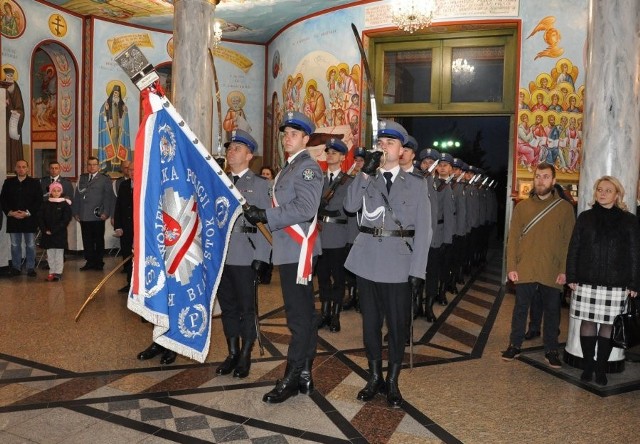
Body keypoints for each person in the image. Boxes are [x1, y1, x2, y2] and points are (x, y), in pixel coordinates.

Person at [344, 120, 432, 407]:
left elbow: (424, 229)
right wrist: (364, 173)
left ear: (401, 150)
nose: (383, 146)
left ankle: (392, 381)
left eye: (390, 143)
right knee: (370, 325)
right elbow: (350, 206)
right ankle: (373, 377)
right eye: (381, 142)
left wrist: (418, 270)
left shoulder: (417, 184)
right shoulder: (367, 176)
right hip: (367, 261)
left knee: (397, 325)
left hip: (398, 265)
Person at [243, 111, 323, 404]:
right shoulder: (288, 168)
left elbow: (305, 208)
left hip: (299, 250)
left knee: (299, 318)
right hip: (289, 249)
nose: (287, 138)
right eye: (285, 133)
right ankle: (304, 374)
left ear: (305, 139)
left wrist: (266, 215)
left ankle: (290, 377)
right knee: (303, 316)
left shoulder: (307, 168)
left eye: (294, 134)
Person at [566, 176, 639, 385]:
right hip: (586, 280)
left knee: (608, 325)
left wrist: (635, 283)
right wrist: (571, 275)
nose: (602, 193)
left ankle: (601, 369)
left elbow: (635, 253)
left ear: (617, 195)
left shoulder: (629, 220)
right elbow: (574, 248)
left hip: (617, 282)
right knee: (587, 323)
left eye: (608, 190)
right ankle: (588, 366)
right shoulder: (585, 217)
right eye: (599, 189)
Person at [502, 162, 575, 368]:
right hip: (525, 266)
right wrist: (511, 267)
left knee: (552, 311)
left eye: (545, 177)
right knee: (520, 309)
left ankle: (551, 349)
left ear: (553, 181)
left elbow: (567, 242)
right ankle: (514, 344)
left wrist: (564, 270)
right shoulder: (522, 207)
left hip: (552, 270)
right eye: (537, 176)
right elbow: (513, 238)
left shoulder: (565, 209)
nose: (540, 180)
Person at [212, 130, 271, 378]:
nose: (230, 151)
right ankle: (232, 352)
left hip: (246, 255)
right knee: (228, 307)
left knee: (247, 308)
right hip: (222, 256)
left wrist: (263, 256)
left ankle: (246, 353)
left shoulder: (261, 185)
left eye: (237, 148)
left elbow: (267, 224)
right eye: (229, 147)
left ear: (249, 155)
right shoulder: (219, 181)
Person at [316, 138, 352, 333]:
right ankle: (325, 312)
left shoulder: (348, 182)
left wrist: (350, 240)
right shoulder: (317, 179)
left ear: (343, 157)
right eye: (328, 152)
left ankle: (336, 315)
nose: (330, 155)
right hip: (320, 235)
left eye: (335, 153)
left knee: (338, 279)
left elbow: (350, 211)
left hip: (338, 235)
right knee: (322, 278)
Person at [72, 156, 115, 271]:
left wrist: (106, 212)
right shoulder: (83, 178)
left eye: (94, 164)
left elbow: (108, 197)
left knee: (98, 239)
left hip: (97, 215)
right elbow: (77, 196)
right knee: (87, 239)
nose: (92, 167)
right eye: (89, 164)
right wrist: (75, 212)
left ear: (98, 166)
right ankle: (89, 261)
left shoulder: (104, 179)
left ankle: (98, 262)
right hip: (84, 215)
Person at [0, 160, 42, 276]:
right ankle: (16, 267)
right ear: (15, 168)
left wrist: (27, 213)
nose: (21, 169)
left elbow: (38, 201)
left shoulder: (34, 183)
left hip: (29, 218)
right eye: (19, 167)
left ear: (28, 169)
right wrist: (10, 212)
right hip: (13, 218)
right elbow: (3, 199)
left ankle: (30, 268)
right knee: (15, 245)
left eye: (24, 167)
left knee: (30, 245)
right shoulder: (8, 182)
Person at [38, 182, 72, 281]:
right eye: (54, 190)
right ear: (50, 191)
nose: (56, 193)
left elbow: (65, 220)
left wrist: (54, 230)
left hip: (59, 234)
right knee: (50, 254)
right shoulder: (45, 204)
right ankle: (51, 271)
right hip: (47, 234)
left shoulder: (64, 204)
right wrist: (45, 230)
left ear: (61, 192)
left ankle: (58, 272)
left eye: (58, 191)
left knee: (59, 254)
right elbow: (40, 218)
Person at [98, 84, 130, 174]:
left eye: (118, 93)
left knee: (118, 144)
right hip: (110, 129)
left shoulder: (122, 105)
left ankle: (118, 166)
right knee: (110, 144)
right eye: (115, 93)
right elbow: (103, 114)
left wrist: (124, 111)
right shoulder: (107, 104)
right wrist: (106, 110)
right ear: (112, 93)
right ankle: (108, 165)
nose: (116, 95)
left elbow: (125, 116)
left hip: (119, 130)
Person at [113, 161, 134, 293]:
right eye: (130, 170)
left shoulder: (146, 185)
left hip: (139, 229)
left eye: (134, 169)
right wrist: (118, 226)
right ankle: (129, 283)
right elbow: (118, 207)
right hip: (126, 228)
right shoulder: (124, 185)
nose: (131, 172)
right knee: (126, 255)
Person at [2, 67, 25, 168]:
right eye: (8, 76)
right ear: (5, 76)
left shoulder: (16, 87)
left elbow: (20, 106)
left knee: (14, 145)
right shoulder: (2, 87)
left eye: (11, 76)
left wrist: (16, 112)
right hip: (3, 122)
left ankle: (13, 168)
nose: (10, 78)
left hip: (14, 121)